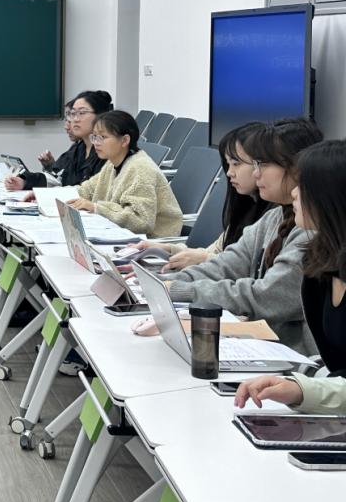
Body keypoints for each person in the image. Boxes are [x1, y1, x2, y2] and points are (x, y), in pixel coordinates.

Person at [163, 118, 323, 355]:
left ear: (296, 168)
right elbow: (227, 264)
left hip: (291, 358)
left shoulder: (311, 230)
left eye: (263, 164)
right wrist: (169, 284)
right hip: (262, 343)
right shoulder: (275, 216)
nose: (256, 174)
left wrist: (182, 290)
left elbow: (266, 296)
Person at [235, 139, 346, 413]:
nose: (294, 193)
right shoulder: (321, 263)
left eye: (304, 186)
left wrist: (302, 389)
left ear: (331, 196)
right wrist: (298, 380)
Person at [137, 122, 273, 272]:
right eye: (228, 164)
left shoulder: (274, 219)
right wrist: (167, 249)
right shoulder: (246, 207)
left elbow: (253, 275)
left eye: (236, 164)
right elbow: (214, 252)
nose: (229, 173)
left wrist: (203, 259)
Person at [67, 110, 183, 237]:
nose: (96, 142)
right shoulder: (112, 162)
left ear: (124, 140)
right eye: (94, 136)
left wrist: (96, 208)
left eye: (103, 137)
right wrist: (53, 196)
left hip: (151, 242)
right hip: (121, 235)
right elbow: (87, 190)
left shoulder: (141, 169)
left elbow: (141, 221)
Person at [6, 91, 110, 190]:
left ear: (100, 115)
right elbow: (57, 178)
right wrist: (25, 181)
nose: (75, 119)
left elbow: (88, 191)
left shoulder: (107, 151)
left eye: (82, 113)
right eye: (73, 113)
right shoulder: (77, 149)